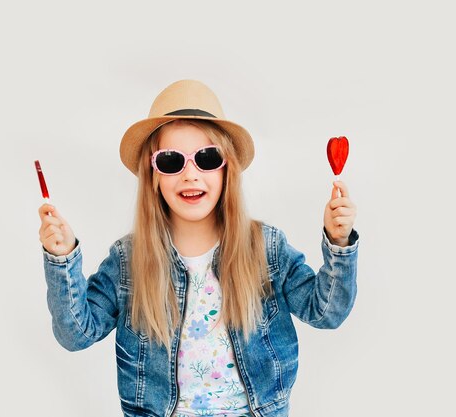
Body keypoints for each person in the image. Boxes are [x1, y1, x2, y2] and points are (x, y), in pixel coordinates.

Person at [38, 80, 359, 417]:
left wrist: (338, 242)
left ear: (226, 170)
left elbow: (326, 312)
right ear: (153, 175)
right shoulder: (127, 262)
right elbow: (76, 334)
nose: (190, 175)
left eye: (206, 158)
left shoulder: (267, 249)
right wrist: (63, 259)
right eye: (172, 161)